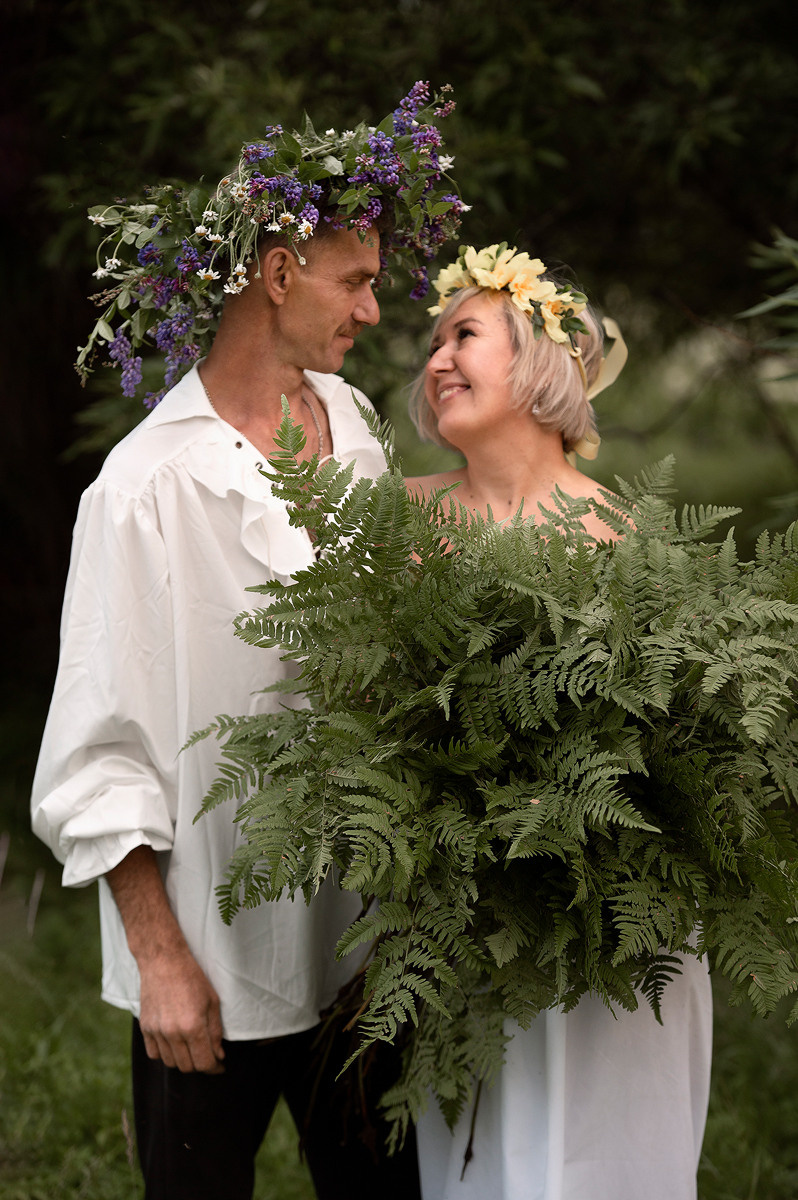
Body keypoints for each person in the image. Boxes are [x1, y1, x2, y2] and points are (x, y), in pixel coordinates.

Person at [30, 84, 463, 1200]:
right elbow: (97, 753)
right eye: (355, 280)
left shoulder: (352, 424)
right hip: (212, 963)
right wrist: (162, 962)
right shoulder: (143, 488)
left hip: (362, 948)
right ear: (277, 274)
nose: (374, 309)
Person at [404, 244, 713, 1200]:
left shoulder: (625, 537)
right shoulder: (402, 523)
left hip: (611, 940)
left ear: (537, 360)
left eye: (463, 335)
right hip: (462, 927)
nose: (437, 359)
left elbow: (680, 751)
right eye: (432, 345)